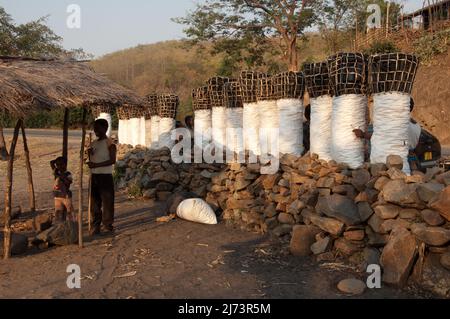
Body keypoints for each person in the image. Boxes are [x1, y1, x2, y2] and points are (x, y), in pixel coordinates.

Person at [87, 119, 117, 235]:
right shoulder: (93, 143)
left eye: (97, 128)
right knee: (94, 203)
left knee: (107, 202)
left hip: (105, 176)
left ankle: (107, 225)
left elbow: (112, 160)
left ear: (105, 128)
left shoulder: (110, 143)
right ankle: (96, 225)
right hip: (94, 176)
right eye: (95, 128)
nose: (95, 130)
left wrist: (96, 164)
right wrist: (89, 153)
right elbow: (92, 157)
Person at [50, 156, 74, 223]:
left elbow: (68, 182)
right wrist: (56, 162)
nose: (59, 166)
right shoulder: (57, 172)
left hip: (66, 196)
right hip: (57, 196)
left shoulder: (68, 173)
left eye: (61, 164)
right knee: (58, 213)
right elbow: (51, 162)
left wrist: (60, 176)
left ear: (65, 165)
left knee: (70, 212)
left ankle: (73, 224)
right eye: (58, 165)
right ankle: (60, 226)